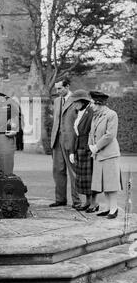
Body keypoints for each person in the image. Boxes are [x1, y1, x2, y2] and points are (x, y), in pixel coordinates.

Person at [88, 91, 122, 219]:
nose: (91, 106)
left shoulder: (111, 114)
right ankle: (108, 208)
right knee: (104, 184)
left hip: (109, 154)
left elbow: (110, 135)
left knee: (111, 184)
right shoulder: (96, 116)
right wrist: (91, 146)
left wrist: (96, 146)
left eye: (92, 103)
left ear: (99, 103)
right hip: (98, 155)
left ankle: (114, 209)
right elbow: (91, 133)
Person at [49, 77, 81, 208]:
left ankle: (77, 201)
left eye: (60, 88)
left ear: (67, 87)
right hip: (56, 140)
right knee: (58, 170)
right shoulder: (57, 101)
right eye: (56, 89)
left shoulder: (76, 100)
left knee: (73, 171)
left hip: (71, 140)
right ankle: (60, 199)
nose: (57, 91)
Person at [68, 90, 98, 212]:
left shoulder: (91, 112)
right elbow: (76, 134)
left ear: (83, 101)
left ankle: (94, 204)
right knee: (83, 179)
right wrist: (72, 151)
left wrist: (92, 147)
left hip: (88, 148)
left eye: (76, 102)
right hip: (80, 148)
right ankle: (87, 202)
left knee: (91, 178)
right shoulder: (80, 113)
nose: (74, 104)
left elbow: (94, 132)